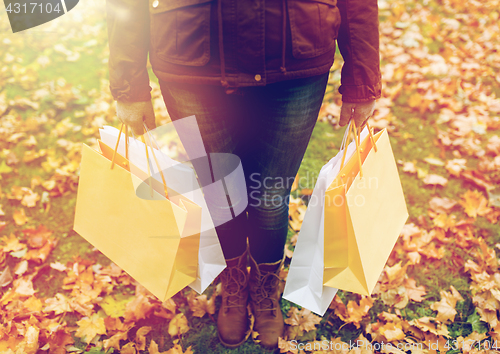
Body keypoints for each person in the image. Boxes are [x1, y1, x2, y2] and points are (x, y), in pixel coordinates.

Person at [106, 0, 381, 349]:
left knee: (269, 197)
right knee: (219, 193)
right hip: (190, 60)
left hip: (296, 54)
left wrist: (362, 76)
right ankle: (233, 282)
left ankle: (265, 287)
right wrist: (128, 84)